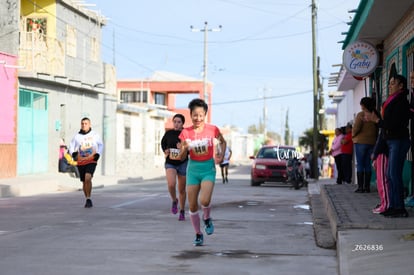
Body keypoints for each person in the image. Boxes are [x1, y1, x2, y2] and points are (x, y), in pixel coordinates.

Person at [177, 98, 226, 246]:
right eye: (195, 115)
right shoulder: (185, 133)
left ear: (205, 114)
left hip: (208, 169)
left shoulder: (212, 129)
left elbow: (222, 142)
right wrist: (184, 149)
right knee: (192, 206)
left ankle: (207, 218)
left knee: (204, 200)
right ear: (190, 114)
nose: (198, 118)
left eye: (201, 115)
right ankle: (198, 234)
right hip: (192, 170)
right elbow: (181, 157)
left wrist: (221, 155)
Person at [367, 74, 410, 218]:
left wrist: (377, 120)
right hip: (391, 140)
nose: (390, 85)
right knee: (390, 175)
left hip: (398, 140)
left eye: (393, 83)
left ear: (401, 86)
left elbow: (392, 124)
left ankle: (399, 208)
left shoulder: (401, 101)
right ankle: (393, 205)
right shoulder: (391, 101)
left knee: (393, 174)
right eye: (389, 83)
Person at [69, 117, 103, 208]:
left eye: (86, 123)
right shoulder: (77, 136)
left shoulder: (94, 135)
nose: (84, 125)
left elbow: (100, 145)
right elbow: (71, 146)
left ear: (89, 124)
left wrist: (98, 154)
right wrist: (73, 154)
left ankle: (89, 198)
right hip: (81, 161)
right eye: (82, 123)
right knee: (84, 182)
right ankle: (87, 199)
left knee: (88, 177)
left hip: (92, 160)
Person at [161, 114, 188, 221]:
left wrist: (183, 148)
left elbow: (190, 149)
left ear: (182, 123)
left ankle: (182, 210)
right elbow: (163, 144)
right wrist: (165, 150)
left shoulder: (186, 134)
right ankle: (174, 200)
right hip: (170, 162)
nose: (176, 124)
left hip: (183, 163)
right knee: (171, 184)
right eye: (175, 122)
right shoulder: (169, 133)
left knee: (181, 189)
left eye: (179, 122)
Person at [352, 97, 378, 193]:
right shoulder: (374, 114)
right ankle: (367, 187)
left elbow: (356, 128)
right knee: (368, 164)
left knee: (360, 164)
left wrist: (353, 135)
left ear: (363, 105)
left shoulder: (361, 115)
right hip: (372, 142)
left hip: (360, 142)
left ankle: (360, 187)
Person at [371, 128, 390, 214]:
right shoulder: (381, 125)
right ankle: (384, 202)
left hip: (382, 153)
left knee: (383, 181)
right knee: (380, 181)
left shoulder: (384, 122)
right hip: (379, 153)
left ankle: (386, 205)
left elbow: (382, 140)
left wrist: (375, 153)